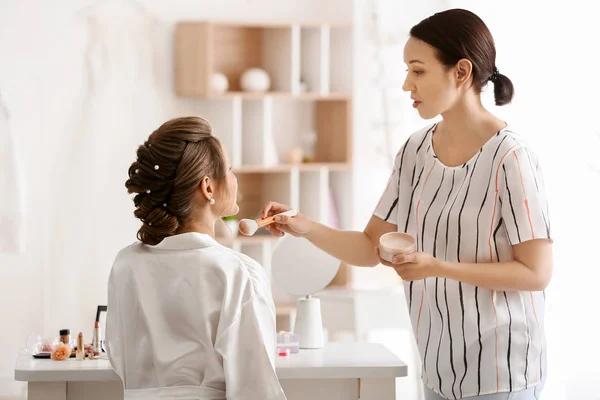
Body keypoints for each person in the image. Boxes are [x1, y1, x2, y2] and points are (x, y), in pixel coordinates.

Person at [261, 8, 552, 400]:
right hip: (436, 368)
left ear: (461, 72)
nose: (405, 85)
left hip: (502, 372)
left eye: (417, 71)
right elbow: (369, 247)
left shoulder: (511, 158)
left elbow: (536, 272)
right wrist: (304, 225)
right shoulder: (414, 151)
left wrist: (438, 267)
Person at [105, 116, 287, 400]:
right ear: (208, 187)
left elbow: (117, 357)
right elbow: (257, 390)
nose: (234, 178)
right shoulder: (238, 274)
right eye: (228, 169)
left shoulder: (125, 265)